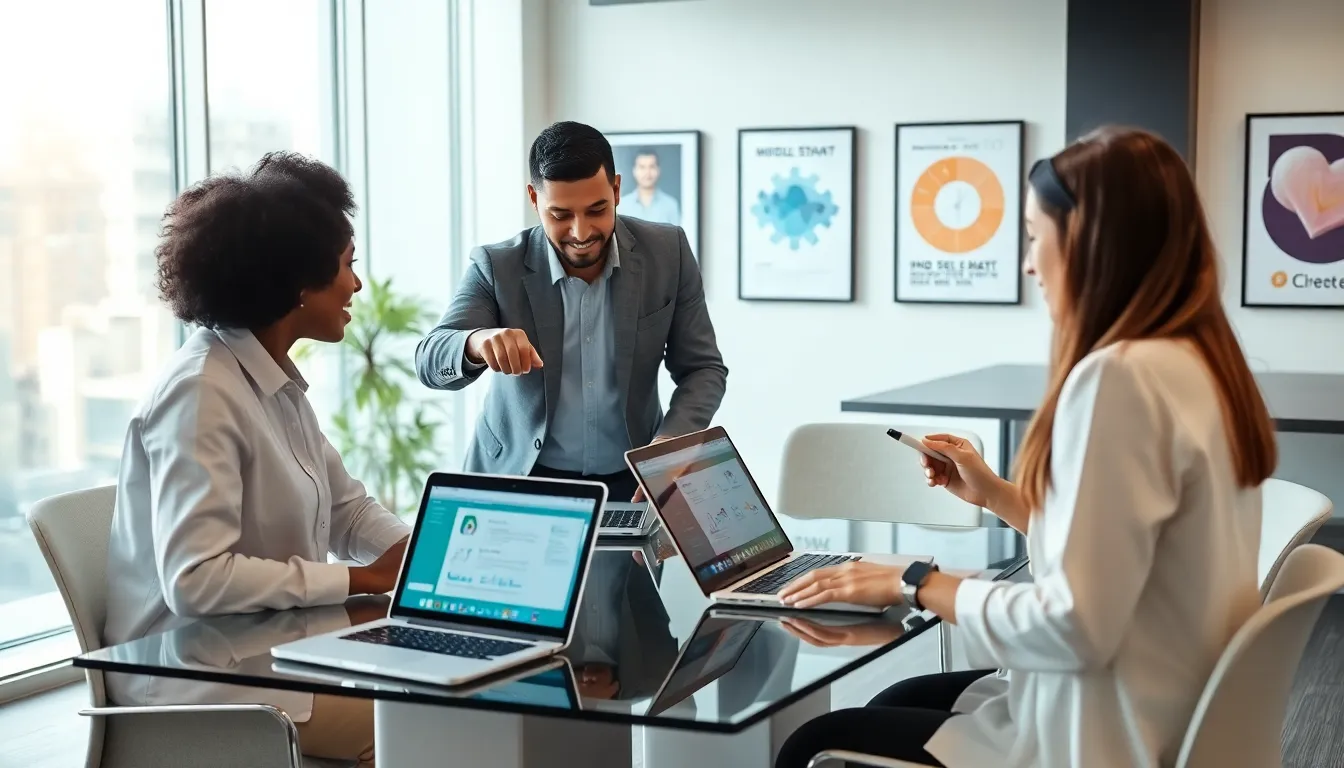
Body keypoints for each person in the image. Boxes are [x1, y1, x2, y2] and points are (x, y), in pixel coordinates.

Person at [774, 127, 1278, 768]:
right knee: (896, 698)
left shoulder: (1119, 379)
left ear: (1092, 246)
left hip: (1105, 730)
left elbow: (1075, 625)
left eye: (1036, 237)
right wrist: (997, 495)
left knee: (811, 743)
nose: (1028, 263)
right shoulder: (1199, 364)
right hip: (1169, 701)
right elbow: (1121, 555)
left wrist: (913, 582)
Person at [104, 152, 412, 767]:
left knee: (447, 694)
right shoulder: (200, 393)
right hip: (200, 681)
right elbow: (197, 580)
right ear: (298, 283)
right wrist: (365, 578)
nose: (356, 284)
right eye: (348, 267)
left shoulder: (272, 381)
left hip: (273, 651)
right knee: (429, 726)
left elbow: (349, 511)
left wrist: (428, 559)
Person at [415, 121, 727, 500]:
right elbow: (430, 359)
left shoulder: (668, 252)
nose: (581, 233)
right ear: (534, 199)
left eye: (597, 210)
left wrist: (671, 444)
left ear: (616, 189)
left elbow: (703, 369)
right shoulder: (497, 266)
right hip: (519, 479)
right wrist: (477, 342)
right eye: (561, 215)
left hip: (632, 481)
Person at [620, 147, 681, 226]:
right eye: (642, 167)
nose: (647, 172)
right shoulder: (622, 206)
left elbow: (676, 237)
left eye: (652, 167)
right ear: (634, 170)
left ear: (658, 170)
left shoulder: (670, 205)